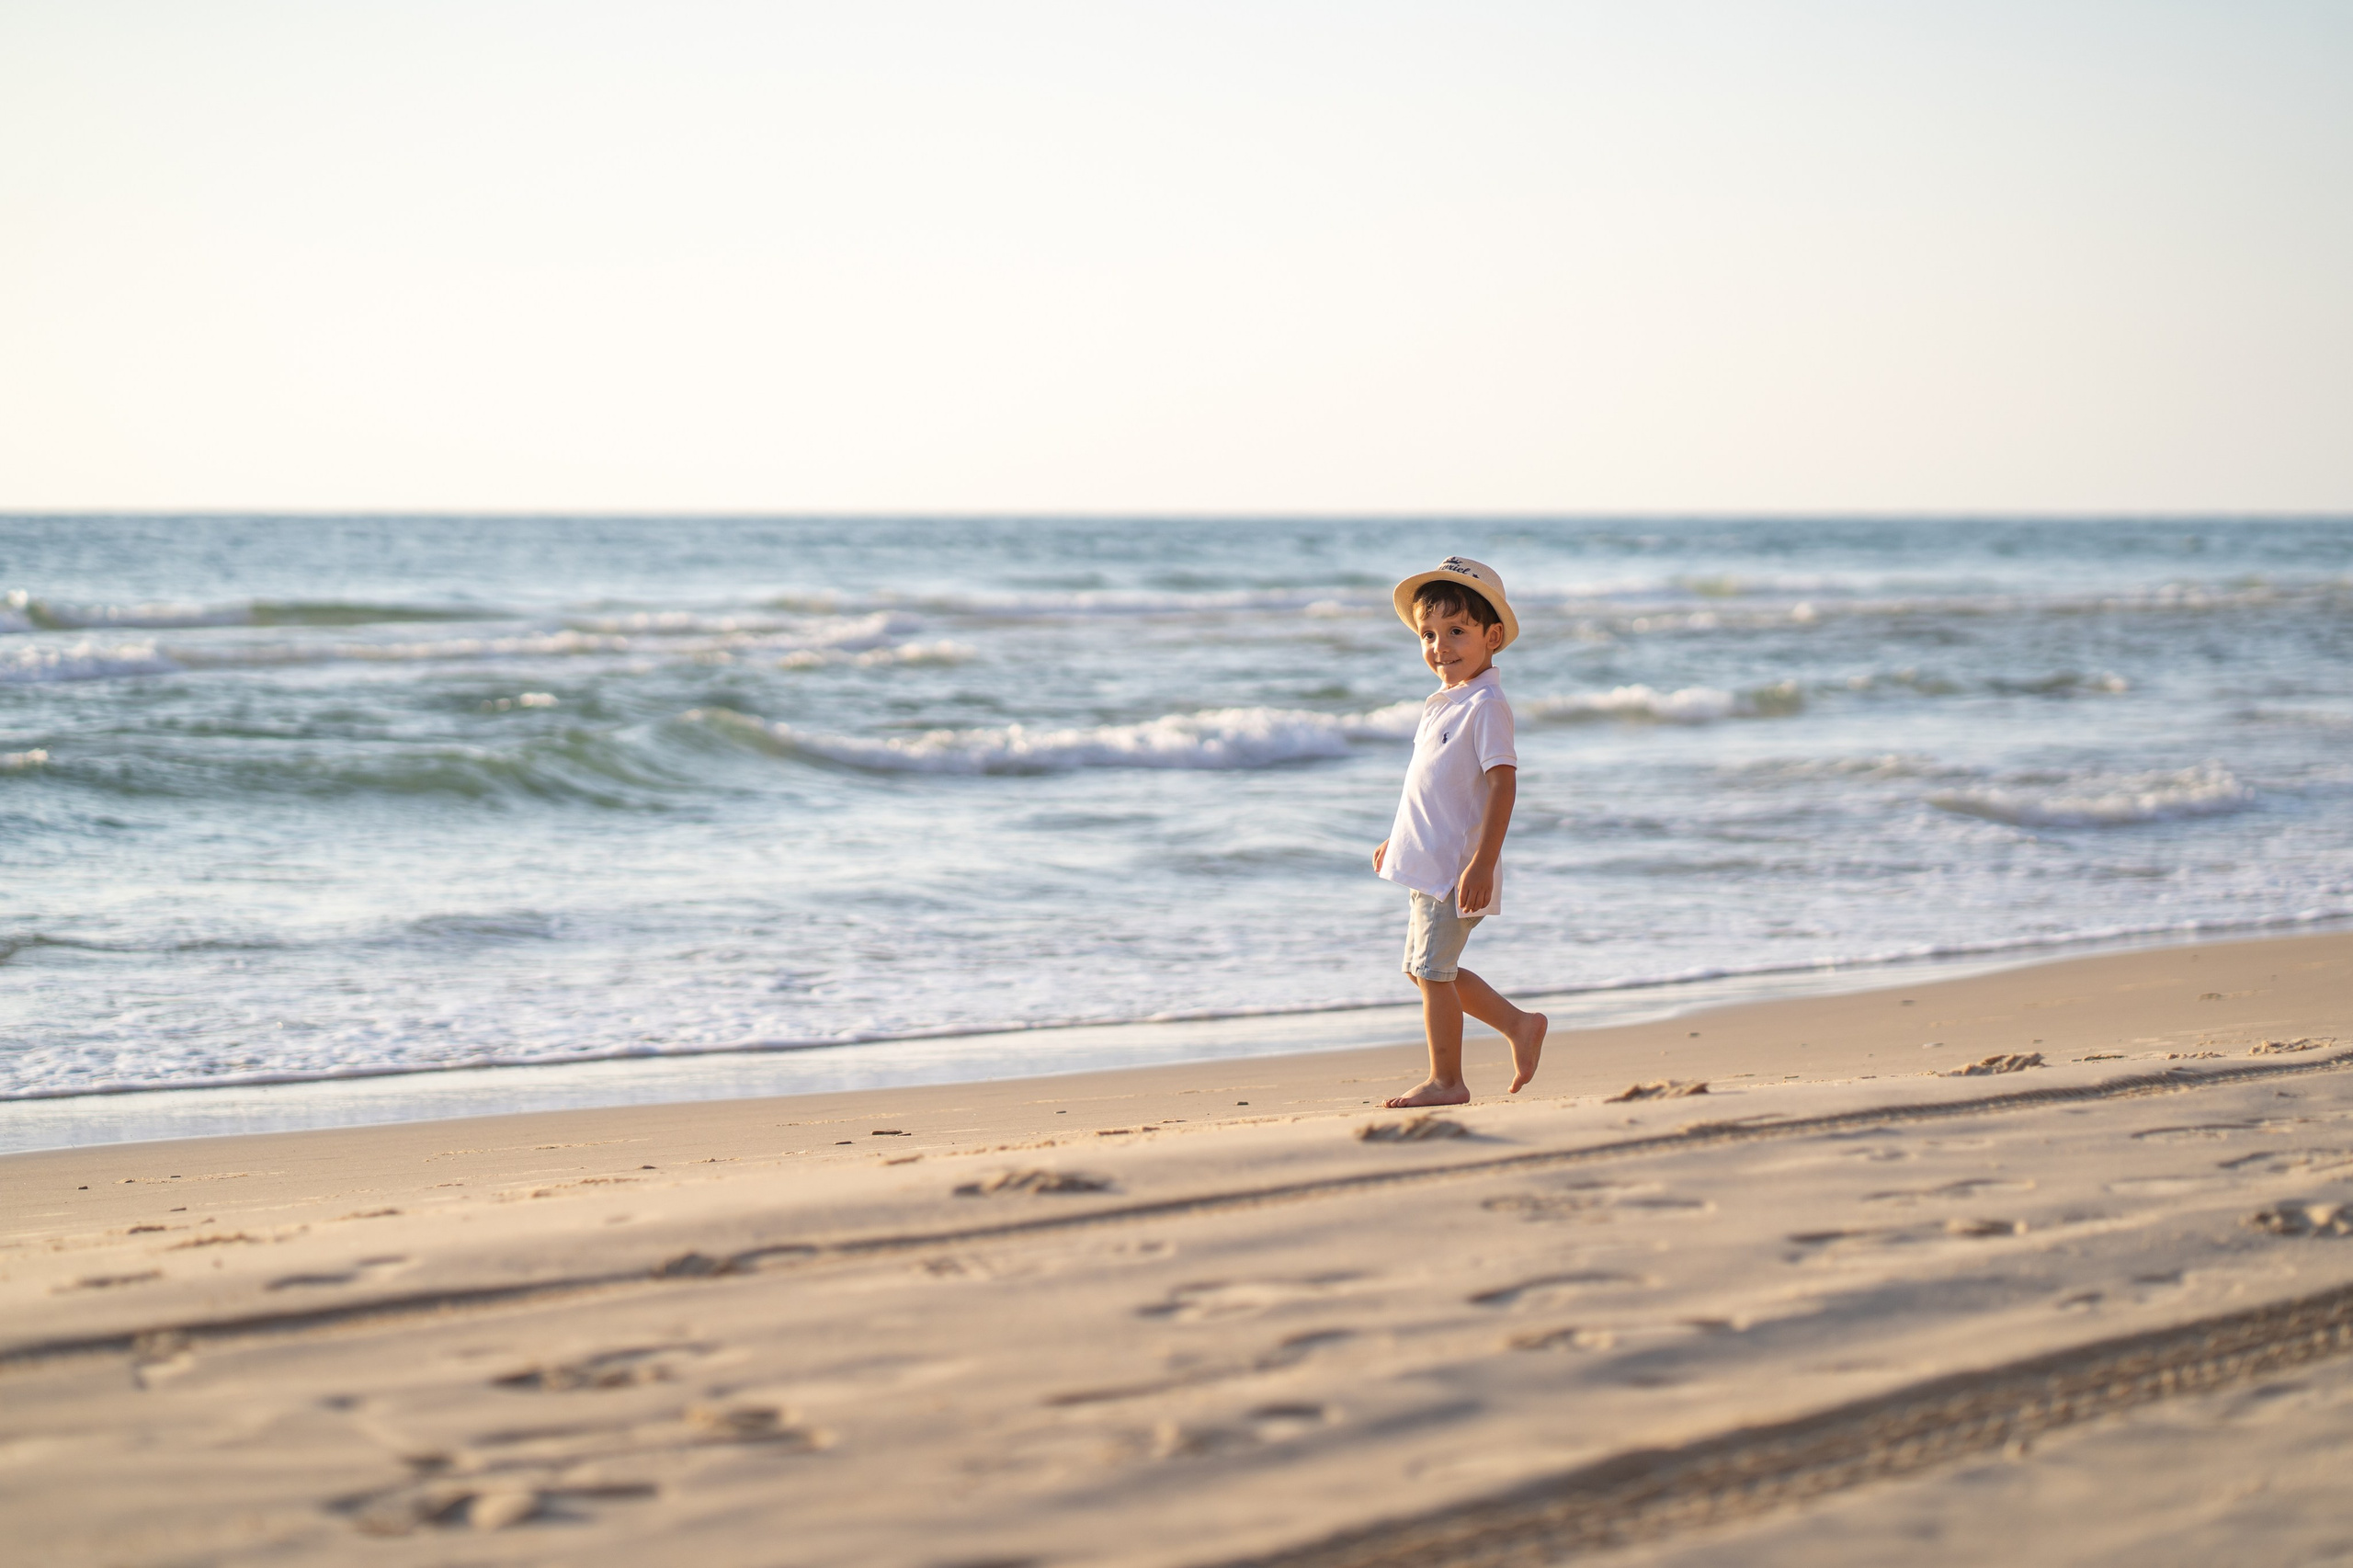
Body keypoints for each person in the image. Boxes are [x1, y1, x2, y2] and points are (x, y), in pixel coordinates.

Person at [1370, 557, 1547, 1108]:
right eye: (1428, 634)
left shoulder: (1487, 706)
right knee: (1422, 971)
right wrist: (1396, 839)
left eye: (1456, 632)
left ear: (1492, 637)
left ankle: (1448, 1081)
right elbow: (1429, 787)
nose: (1440, 646)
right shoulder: (1445, 703)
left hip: (1456, 868)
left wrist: (1482, 862)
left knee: (1433, 973)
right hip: (1429, 860)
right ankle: (1519, 1024)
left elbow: (1502, 785)